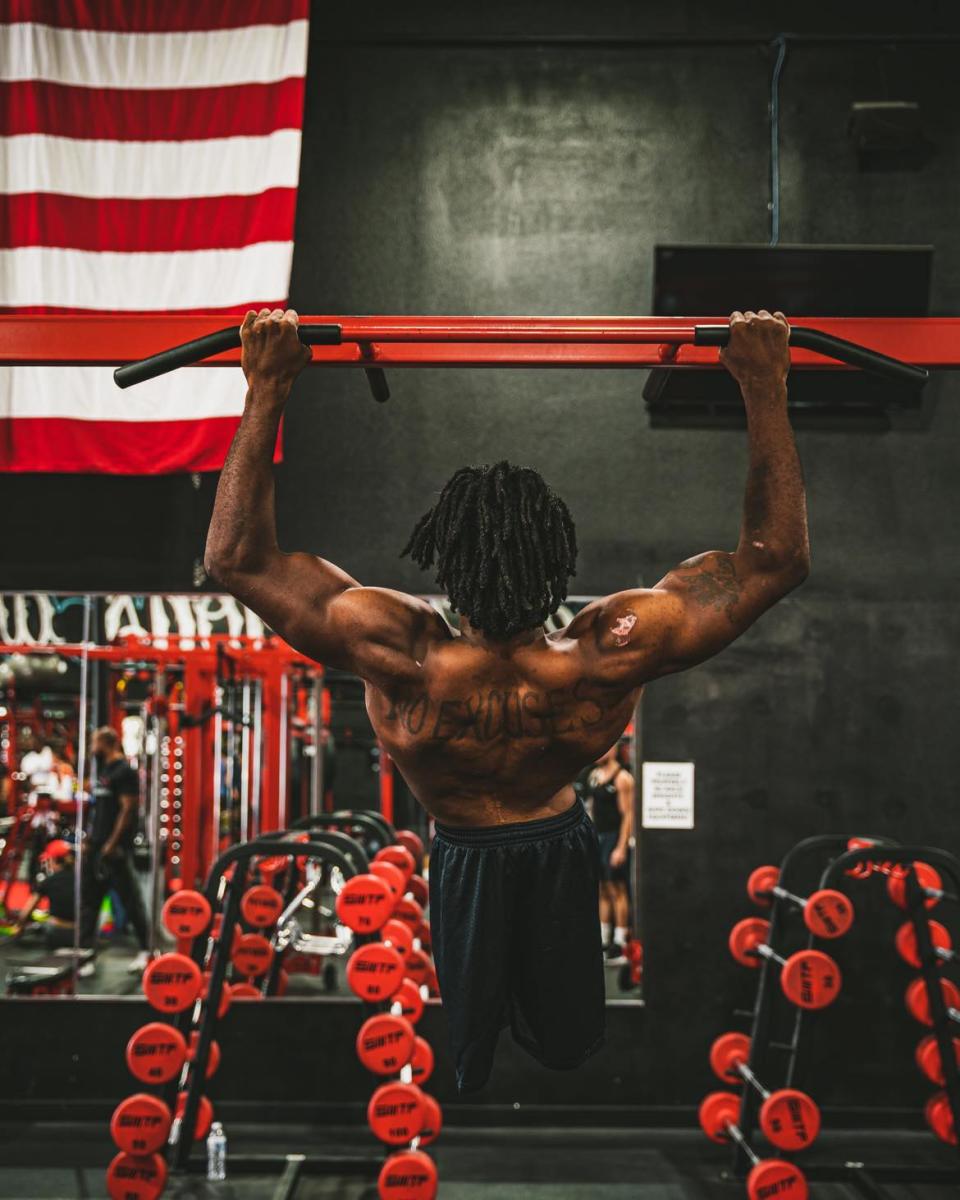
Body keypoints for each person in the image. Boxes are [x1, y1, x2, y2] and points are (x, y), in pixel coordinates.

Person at [204, 306, 809, 1091]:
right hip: (558, 843)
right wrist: (765, 383)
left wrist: (269, 385)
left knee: (471, 1046)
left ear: (445, 569)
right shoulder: (606, 651)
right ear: (556, 566)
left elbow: (234, 557)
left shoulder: (395, 647)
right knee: (564, 1041)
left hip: (461, 854)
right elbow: (776, 560)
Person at [80, 726, 150, 973]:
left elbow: (127, 809)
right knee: (90, 902)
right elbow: (99, 811)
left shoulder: (124, 771)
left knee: (130, 901)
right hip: (97, 845)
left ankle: (145, 951)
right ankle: (86, 957)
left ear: (106, 743)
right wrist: (90, 839)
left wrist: (112, 843)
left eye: (94, 742)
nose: (91, 748)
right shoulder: (105, 771)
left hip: (114, 849)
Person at [577, 743, 634, 963]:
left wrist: (621, 847)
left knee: (617, 888)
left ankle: (620, 943)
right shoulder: (594, 775)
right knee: (601, 889)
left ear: (614, 750)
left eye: (605, 749)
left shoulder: (622, 778)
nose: (600, 752)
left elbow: (628, 815)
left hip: (614, 838)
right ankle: (603, 941)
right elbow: (589, 807)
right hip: (597, 837)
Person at [12, 838, 76, 951]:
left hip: (57, 933)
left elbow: (26, 912)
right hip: (81, 933)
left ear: (54, 860)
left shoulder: (49, 881)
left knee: (47, 924)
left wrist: (19, 926)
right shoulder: (82, 880)